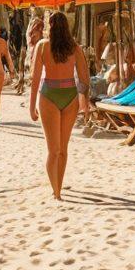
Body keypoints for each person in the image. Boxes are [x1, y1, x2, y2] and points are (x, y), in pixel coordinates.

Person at [30, 11, 90, 200]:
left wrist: (32, 106)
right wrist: (85, 103)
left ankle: (58, 190)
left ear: (51, 26)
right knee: (58, 150)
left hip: (53, 96)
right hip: (63, 96)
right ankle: (57, 191)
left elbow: (35, 79)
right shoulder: (70, 48)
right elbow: (84, 80)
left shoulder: (47, 46)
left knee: (58, 150)